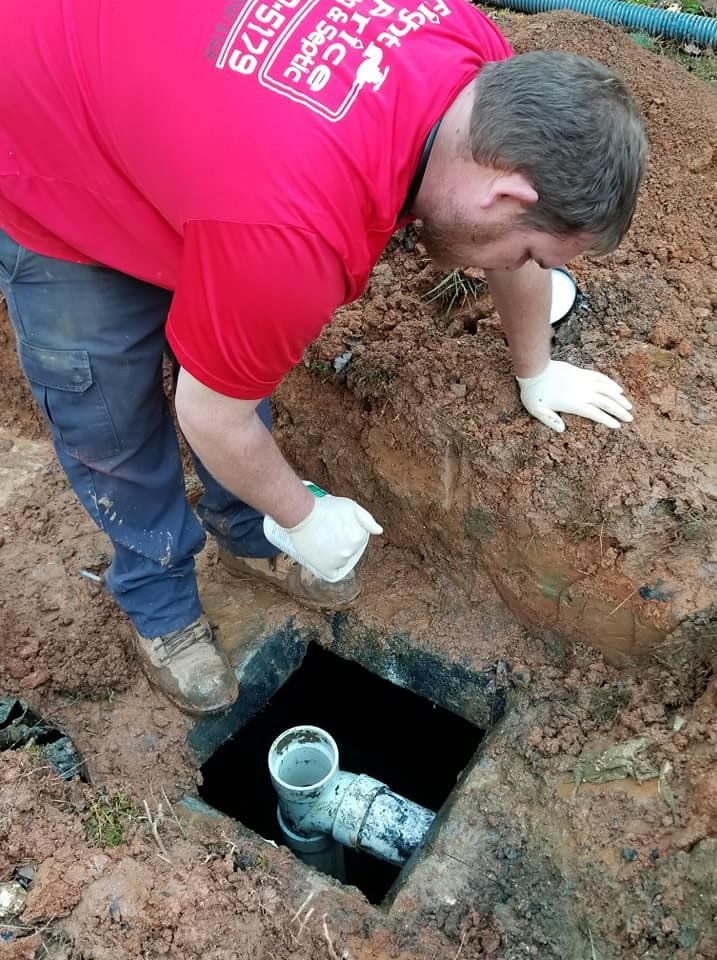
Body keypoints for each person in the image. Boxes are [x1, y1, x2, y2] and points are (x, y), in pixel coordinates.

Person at [0, 0, 647, 715]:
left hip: (194, 129)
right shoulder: (293, 233)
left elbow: (509, 247)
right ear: (504, 193)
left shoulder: (482, 79)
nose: (522, 265)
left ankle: (249, 532)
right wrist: (303, 515)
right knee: (109, 415)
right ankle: (160, 604)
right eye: (529, 252)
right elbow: (213, 415)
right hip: (49, 131)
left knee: (237, 341)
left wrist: (536, 368)